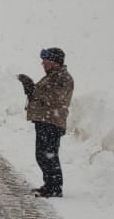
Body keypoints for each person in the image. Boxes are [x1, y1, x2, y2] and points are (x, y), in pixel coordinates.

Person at [17, 47, 74, 198]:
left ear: (55, 62)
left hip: (52, 122)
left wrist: (32, 89)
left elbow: (54, 98)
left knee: (49, 155)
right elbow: (42, 95)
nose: (43, 63)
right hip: (44, 120)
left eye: (46, 60)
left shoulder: (63, 78)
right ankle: (49, 185)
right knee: (42, 155)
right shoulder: (51, 77)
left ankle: (55, 188)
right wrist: (30, 89)